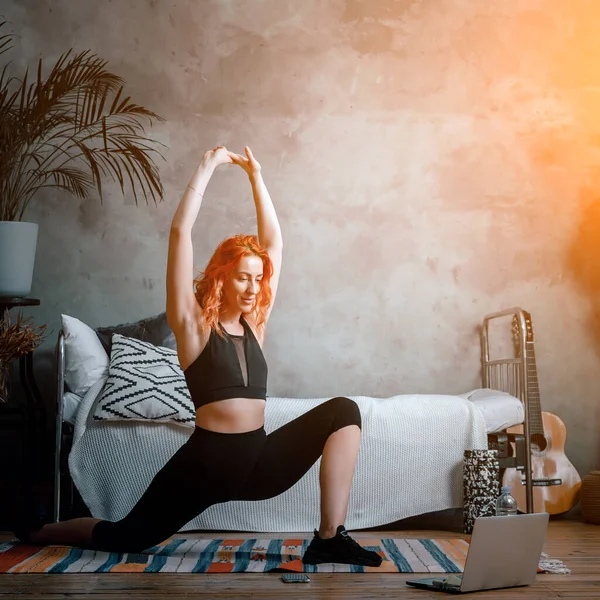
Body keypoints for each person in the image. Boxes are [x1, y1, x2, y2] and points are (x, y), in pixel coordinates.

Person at [14, 146, 382, 567]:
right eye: (242, 277)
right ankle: (42, 531)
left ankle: (330, 537)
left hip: (259, 463)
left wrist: (255, 176)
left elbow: (274, 243)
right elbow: (180, 234)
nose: (251, 287)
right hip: (206, 466)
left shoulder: (256, 325)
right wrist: (207, 168)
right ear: (221, 277)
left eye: (257, 278)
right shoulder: (192, 326)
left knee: (344, 411)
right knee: (127, 537)